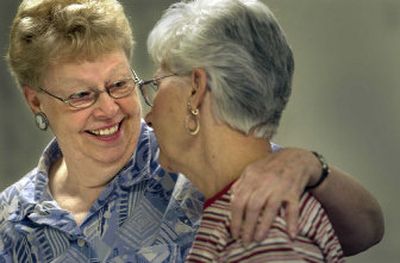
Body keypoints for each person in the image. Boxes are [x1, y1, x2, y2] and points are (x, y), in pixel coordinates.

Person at [0, 0, 382, 262]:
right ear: (36, 101)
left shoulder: (194, 158)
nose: (109, 109)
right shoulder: (10, 220)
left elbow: (363, 230)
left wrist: (309, 165)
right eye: (82, 95)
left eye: (120, 84)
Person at [143, 0, 383, 261]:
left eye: (157, 84)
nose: (149, 115)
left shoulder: (262, 231)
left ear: (195, 90)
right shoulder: (245, 214)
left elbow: (370, 227)